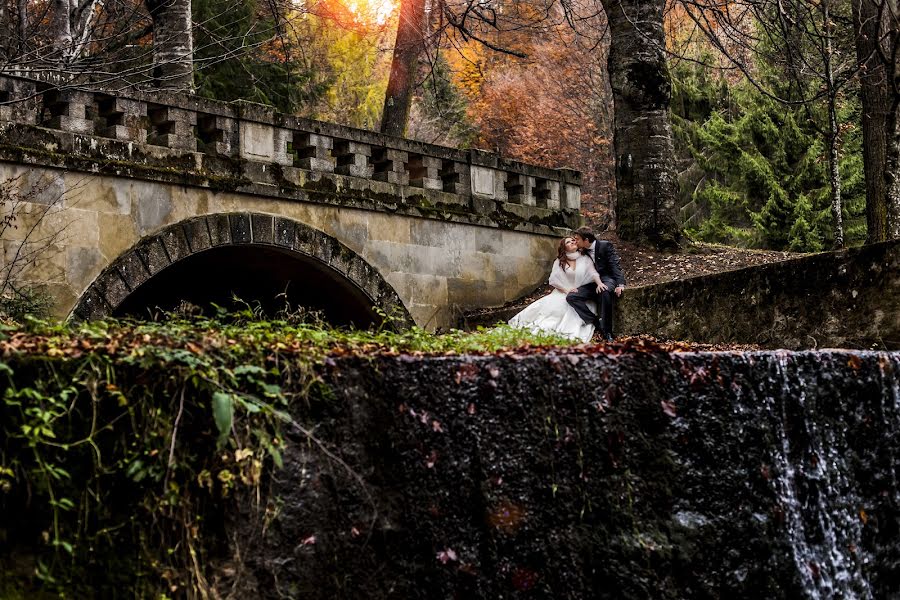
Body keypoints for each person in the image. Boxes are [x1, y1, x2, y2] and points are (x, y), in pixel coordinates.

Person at [508, 236, 604, 343]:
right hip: (563, 292)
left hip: (580, 294)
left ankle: (594, 322)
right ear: (564, 248)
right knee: (551, 316)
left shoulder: (585, 258)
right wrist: (567, 290)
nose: (572, 242)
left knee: (574, 314)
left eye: (573, 240)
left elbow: (593, 273)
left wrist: (599, 283)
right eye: (568, 242)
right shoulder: (560, 261)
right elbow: (553, 280)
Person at [567, 226, 625, 342]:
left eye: (577, 239)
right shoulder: (581, 250)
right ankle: (595, 321)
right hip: (590, 283)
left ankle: (607, 332)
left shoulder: (605, 246)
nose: (575, 241)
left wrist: (620, 284)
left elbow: (615, 265)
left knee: (605, 291)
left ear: (586, 240)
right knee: (572, 297)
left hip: (606, 279)